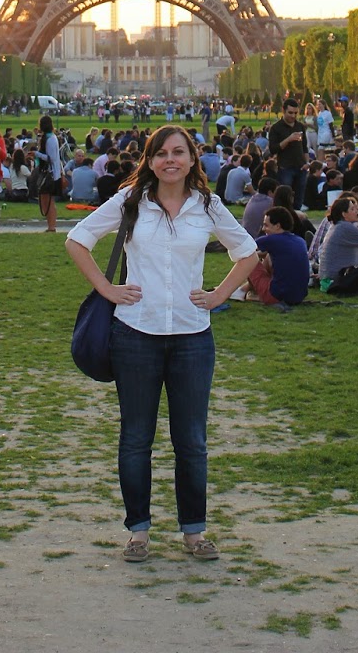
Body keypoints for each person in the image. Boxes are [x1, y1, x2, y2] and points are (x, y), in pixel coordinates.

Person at [65, 125, 258, 562]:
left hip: (192, 335)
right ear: (149, 160)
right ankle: (138, 531)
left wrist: (218, 295)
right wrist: (107, 290)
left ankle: (194, 532)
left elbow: (247, 252)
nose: (170, 160)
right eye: (161, 154)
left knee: (191, 440)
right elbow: (77, 239)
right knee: (136, 438)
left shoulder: (207, 207)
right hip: (136, 332)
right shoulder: (131, 200)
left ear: (193, 159)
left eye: (178, 152)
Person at [244, 207, 310, 307]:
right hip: (299, 296)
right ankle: (247, 289)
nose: (263, 229)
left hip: (277, 296)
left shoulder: (271, 240)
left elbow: (245, 249)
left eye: (266, 225)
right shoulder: (299, 240)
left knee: (247, 258)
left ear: (277, 226)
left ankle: (252, 292)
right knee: (269, 255)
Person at [267, 97, 308, 210]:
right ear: (283, 111)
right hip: (285, 167)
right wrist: (288, 139)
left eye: (295, 113)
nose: (293, 116)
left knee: (299, 199)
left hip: (301, 167)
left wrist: (307, 162)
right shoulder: (276, 128)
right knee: (285, 199)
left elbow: (304, 147)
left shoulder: (299, 126)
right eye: (290, 113)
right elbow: (273, 149)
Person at [36, 116, 64, 233]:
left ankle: (51, 226)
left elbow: (51, 158)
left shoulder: (50, 139)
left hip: (50, 173)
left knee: (48, 201)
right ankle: (50, 225)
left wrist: (36, 154)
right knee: (46, 200)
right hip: (49, 172)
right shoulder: (49, 138)